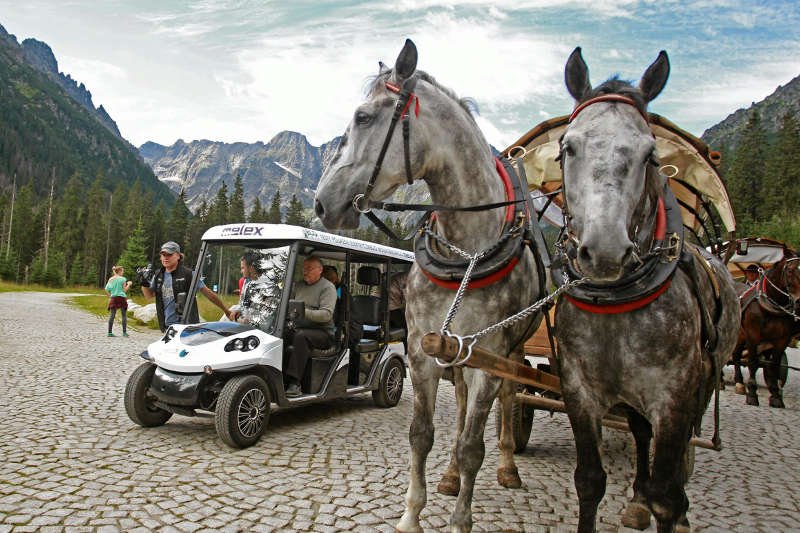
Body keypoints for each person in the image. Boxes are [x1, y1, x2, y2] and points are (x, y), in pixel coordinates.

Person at [141, 241, 233, 332]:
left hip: (186, 327)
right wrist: (144, 282)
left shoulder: (189, 274)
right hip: (167, 327)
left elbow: (208, 293)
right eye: (163, 254)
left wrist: (226, 311)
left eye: (169, 254)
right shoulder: (158, 275)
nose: (165, 257)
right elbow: (149, 296)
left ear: (178, 256)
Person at [284, 256, 337, 397]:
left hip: (323, 333)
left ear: (320, 270)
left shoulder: (328, 288)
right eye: (304, 268)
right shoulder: (298, 285)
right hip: (299, 327)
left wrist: (302, 312)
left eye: (309, 269)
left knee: (301, 337)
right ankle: (276, 374)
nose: (305, 272)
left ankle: (295, 383)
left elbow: (326, 315)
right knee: (279, 332)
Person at [105, 265, 132, 337]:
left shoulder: (110, 279)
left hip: (113, 297)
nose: (123, 272)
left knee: (112, 315)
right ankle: (124, 333)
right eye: (122, 271)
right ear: (119, 271)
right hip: (121, 298)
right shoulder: (123, 279)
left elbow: (106, 289)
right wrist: (129, 284)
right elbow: (124, 290)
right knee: (124, 315)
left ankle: (109, 333)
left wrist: (110, 296)